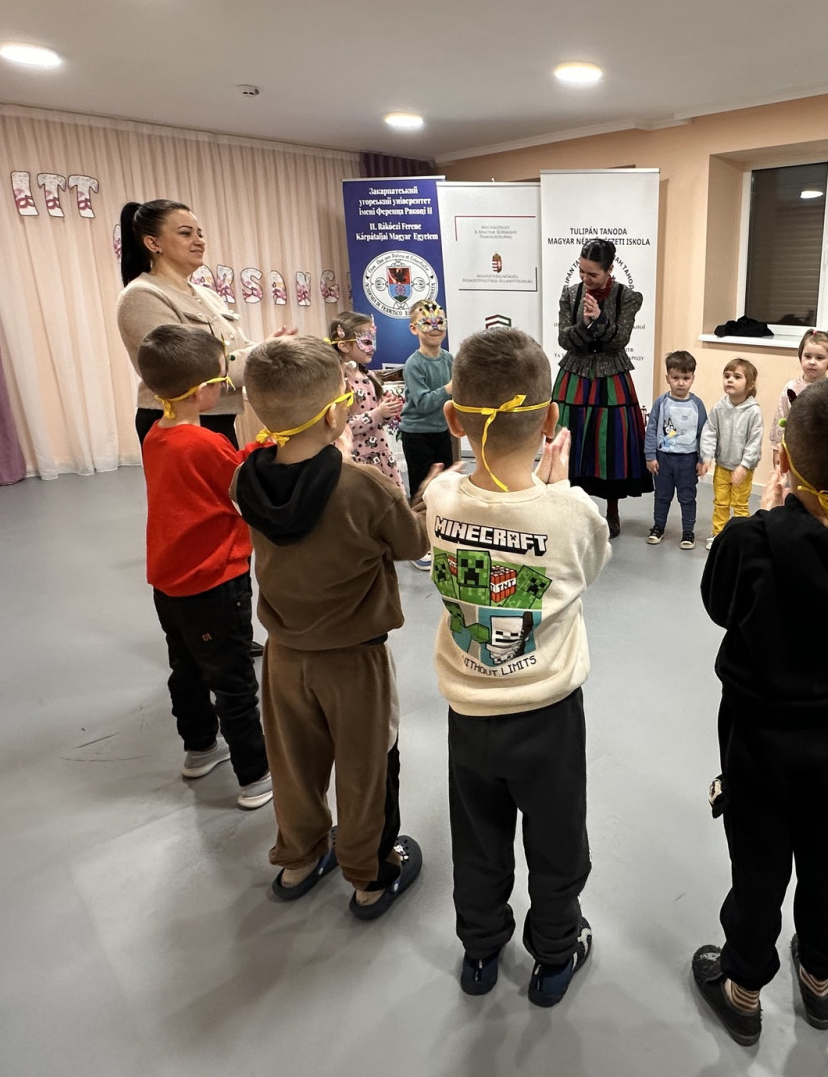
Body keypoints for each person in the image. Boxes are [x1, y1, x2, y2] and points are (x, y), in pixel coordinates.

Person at [691, 376, 828, 1046]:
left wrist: (768, 515)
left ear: (782, 458)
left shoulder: (749, 540)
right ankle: (819, 975)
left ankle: (743, 988)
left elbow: (720, 606)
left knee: (758, 863)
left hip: (759, 732)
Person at [425, 328, 611, 1006]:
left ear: (453, 419)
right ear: (551, 419)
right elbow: (588, 569)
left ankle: (480, 949)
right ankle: (555, 954)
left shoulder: (439, 497)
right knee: (557, 839)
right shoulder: (572, 512)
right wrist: (558, 494)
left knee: (477, 838)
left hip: (468, 713)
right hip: (546, 715)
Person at [230, 337, 432, 914]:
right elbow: (411, 543)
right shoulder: (363, 485)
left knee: (293, 767)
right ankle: (370, 875)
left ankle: (298, 859)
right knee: (368, 770)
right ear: (335, 414)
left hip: (283, 655)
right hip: (354, 660)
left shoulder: (243, 481)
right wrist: (427, 497)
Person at [135, 325, 271, 810]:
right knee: (233, 678)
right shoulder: (203, 443)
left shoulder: (156, 435)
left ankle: (199, 749)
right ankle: (255, 775)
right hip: (213, 580)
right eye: (221, 379)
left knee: (186, 668)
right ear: (202, 392)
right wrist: (262, 446)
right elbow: (237, 482)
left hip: (169, 581)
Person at [116, 199, 289, 446]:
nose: (199, 241)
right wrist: (262, 354)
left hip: (219, 416)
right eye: (186, 233)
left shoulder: (208, 295)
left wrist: (270, 349)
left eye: (200, 234)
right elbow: (187, 369)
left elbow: (235, 348)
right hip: (176, 421)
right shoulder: (142, 295)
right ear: (153, 243)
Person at [553, 238, 652, 539]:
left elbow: (620, 340)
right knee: (571, 440)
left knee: (611, 443)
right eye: (582, 271)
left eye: (593, 273)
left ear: (609, 270)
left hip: (611, 376)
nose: (586, 278)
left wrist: (599, 319)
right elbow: (564, 340)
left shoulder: (627, 297)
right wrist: (584, 325)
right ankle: (570, 510)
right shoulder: (570, 295)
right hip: (575, 375)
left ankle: (612, 511)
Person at [399, 299, 454, 572]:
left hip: (441, 431)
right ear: (414, 328)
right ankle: (419, 543)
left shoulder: (449, 359)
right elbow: (422, 403)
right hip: (417, 434)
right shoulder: (414, 364)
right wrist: (449, 389)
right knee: (422, 490)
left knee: (444, 483)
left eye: (439, 321)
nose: (435, 327)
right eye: (427, 322)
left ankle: (441, 536)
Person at [328, 312, 403, 487]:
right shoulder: (338, 381)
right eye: (367, 342)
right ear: (344, 345)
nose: (373, 348)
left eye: (373, 341)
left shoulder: (369, 376)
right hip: (356, 457)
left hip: (380, 454)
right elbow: (342, 426)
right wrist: (378, 413)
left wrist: (387, 410)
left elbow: (379, 417)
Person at [645, 350, 708, 549]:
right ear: (668, 378)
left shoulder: (697, 405)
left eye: (686, 378)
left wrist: (702, 459)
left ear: (693, 378)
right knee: (662, 496)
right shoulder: (661, 402)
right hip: (663, 459)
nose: (681, 383)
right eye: (675, 378)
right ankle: (658, 527)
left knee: (687, 498)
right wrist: (650, 455)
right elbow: (651, 428)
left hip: (688, 461)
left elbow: (704, 434)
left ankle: (688, 532)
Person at [700, 358, 765, 548]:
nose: (730, 380)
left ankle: (740, 537)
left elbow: (754, 442)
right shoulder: (719, 407)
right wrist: (707, 457)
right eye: (727, 376)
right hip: (722, 466)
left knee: (740, 505)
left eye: (737, 377)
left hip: (742, 469)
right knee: (720, 503)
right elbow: (710, 431)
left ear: (750, 384)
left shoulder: (753, 412)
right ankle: (718, 535)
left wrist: (744, 466)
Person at [769, 329, 828, 453]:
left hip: (820, 452)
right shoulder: (791, 387)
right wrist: (777, 448)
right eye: (807, 356)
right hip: (792, 448)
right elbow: (780, 417)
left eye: (819, 358)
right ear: (800, 357)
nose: (812, 362)